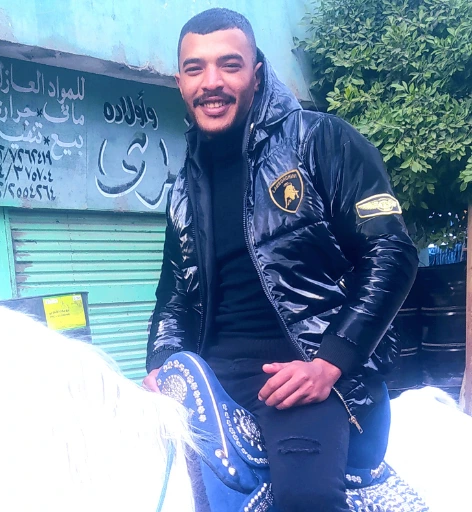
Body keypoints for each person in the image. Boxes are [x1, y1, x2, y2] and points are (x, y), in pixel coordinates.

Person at [144, 7, 418, 511]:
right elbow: (174, 296)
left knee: (305, 498)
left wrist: (330, 362)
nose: (211, 82)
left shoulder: (321, 140)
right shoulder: (182, 189)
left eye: (229, 64)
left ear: (256, 72)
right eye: (195, 68)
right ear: (180, 82)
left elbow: (391, 252)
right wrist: (160, 365)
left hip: (303, 373)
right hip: (209, 376)